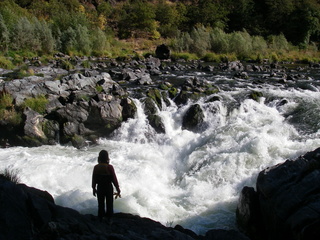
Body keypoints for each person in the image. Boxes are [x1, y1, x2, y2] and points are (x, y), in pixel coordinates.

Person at [92, 150, 121, 222]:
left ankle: (100, 218)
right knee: (109, 204)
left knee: (100, 204)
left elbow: (94, 179)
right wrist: (118, 189)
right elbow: (114, 179)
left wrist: (93, 188)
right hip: (108, 187)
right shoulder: (110, 167)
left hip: (100, 188)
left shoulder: (96, 167)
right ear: (107, 158)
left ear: (99, 158)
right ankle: (109, 219)